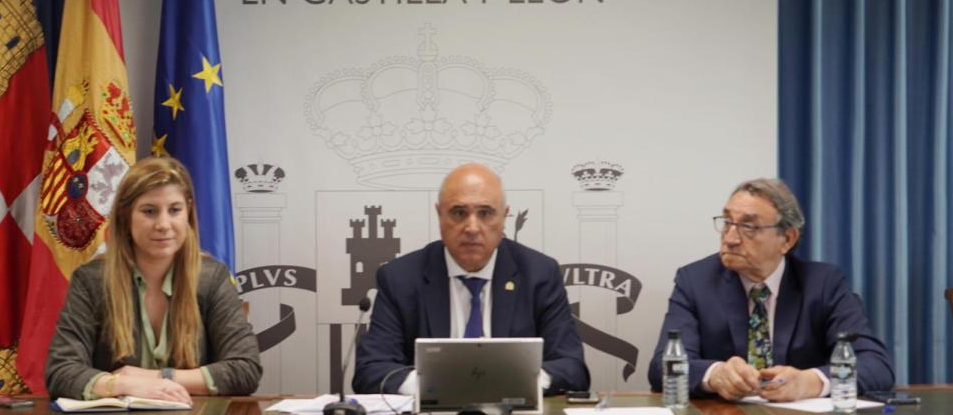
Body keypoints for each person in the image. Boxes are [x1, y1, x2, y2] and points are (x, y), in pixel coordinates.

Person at [647, 178, 894, 402]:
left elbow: (876, 365)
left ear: (787, 239)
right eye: (727, 223)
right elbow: (662, 367)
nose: (730, 238)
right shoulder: (696, 281)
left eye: (749, 227)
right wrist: (714, 374)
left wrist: (810, 381)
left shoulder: (823, 284)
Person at [353, 163, 589, 395]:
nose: (472, 227)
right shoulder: (400, 278)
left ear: (504, 216)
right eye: (459, 213)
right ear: (439, 214)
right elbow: (371, 371)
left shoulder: (539, 274)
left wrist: (518, 382)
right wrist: (438, 385)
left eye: (485, 213)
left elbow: (572, 368)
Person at [45, 157, 262, 402]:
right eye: (149, 211)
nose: (163, 224)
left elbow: (246, 369)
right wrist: (121, 384)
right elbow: (61, 371)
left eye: (175, 210)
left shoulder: (212, 278)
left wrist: (156, 378)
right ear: (126, 217)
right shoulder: (92, 280)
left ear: (187, 212)